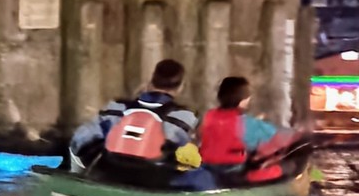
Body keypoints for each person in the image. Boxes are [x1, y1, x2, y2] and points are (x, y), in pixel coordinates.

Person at [69, 58, 198, 171]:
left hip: (110, 173)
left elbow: (80, 140)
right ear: (181, 87)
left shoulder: (116, 107)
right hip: (154, 181)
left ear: (150, 82)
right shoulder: (184, 117)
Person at [199, 76, 280, 170]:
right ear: (242, 101)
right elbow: (276, 136)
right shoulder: (247, 123)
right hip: (233, 169)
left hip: (207, 166)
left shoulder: (209, 116)